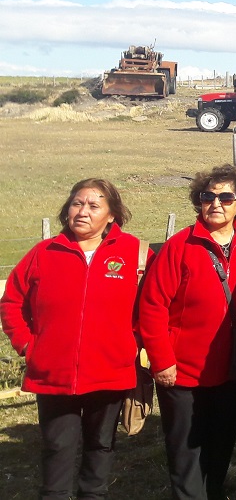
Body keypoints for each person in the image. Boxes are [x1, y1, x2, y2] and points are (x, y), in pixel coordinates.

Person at [1, 179, 143, 500]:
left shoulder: (134, 253)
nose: (83, 212)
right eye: (77, 204)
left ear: (111, 215)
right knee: (56, 446)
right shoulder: (44, 252)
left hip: (110, 372)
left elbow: (150, 307)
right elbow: (12, 302)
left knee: (100, 445)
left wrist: (133, 345)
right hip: (52, 373)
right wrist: (27, 345)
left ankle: (93, 495)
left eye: (94, 206)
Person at [139, 164, 236, 500]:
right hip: (183, 370)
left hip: (234, 366)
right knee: (186, 450)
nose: (216, 203)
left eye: (226, 197)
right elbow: (151, 306)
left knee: (222, 441)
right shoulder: (180, 246)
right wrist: (162, 361)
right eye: (208, 196)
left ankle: (214, 491)